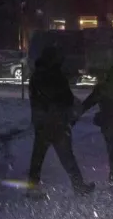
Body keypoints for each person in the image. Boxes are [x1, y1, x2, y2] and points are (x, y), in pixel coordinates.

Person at [27, 46, 94, 194]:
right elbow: (66, 99)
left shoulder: (36, 76)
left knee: (37, 158)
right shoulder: (56, 76)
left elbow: (36, 99)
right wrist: (71, 114)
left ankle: (32, 189)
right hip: (58, 123)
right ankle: (78, 186)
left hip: (42, 122)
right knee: (67, 157)